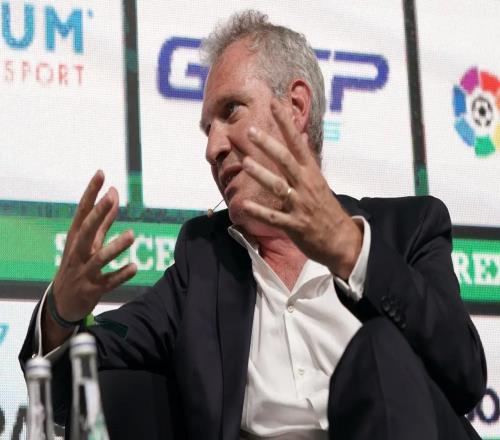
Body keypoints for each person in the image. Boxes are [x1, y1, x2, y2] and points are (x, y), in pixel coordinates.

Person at [20, 10, 486, 440]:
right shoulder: (204, 263)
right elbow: (70, 386)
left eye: (231, 112)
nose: (213, 148)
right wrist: (63, 311)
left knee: (381, 350)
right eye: (207, 129)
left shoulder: (409, 228)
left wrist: (350, 249)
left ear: (296, 107)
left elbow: (464, 375)